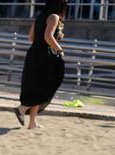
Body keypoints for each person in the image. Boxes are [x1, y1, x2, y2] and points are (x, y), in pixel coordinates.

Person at [15, 0, 67, 129]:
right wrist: (59, 49)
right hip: (44, 55)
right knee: (45, 87)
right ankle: (22, 109)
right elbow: (48, 37)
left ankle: (32, 122)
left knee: (36, 86)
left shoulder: (40, 16)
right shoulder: (54, 17)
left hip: (33, 53)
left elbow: (31, 38)